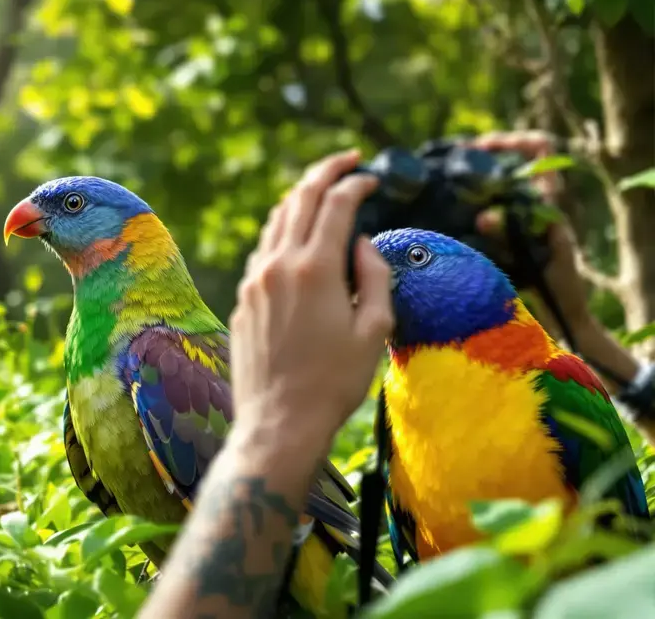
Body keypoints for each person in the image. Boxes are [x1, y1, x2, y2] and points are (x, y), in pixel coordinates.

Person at [137, 131, 650, 618]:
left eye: (417, 258)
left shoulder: (556, 380)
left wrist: (579, 329)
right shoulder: (396, 405)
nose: (374, 278)